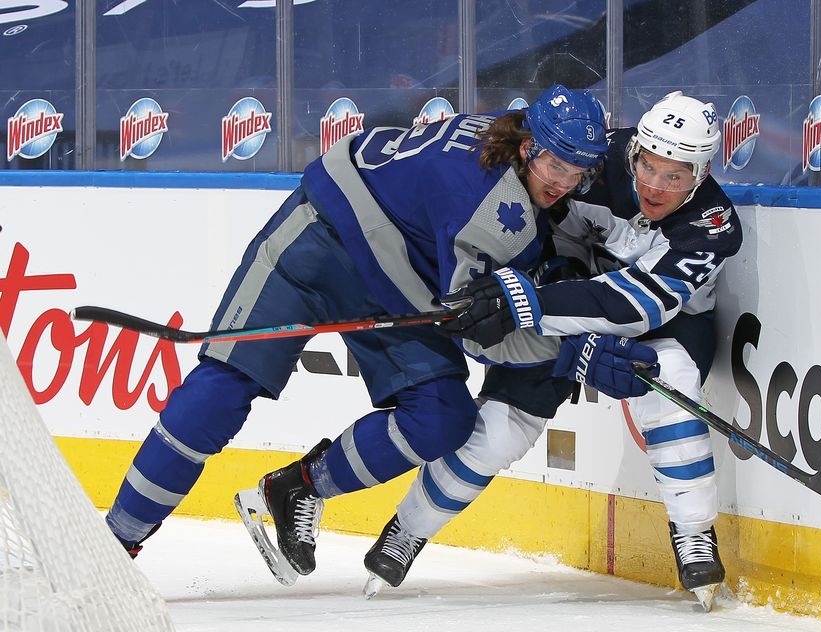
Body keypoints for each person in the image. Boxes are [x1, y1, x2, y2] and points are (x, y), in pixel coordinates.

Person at [104, 84, 609, 582]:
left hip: (400, 277)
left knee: (440, 419)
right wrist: (565, 351)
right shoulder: (493, 214)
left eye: (577, 171)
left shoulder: (515, 124)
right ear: (529, 148)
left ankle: (298, 487)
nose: (563, 182)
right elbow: (477, 335)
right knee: (220, 391)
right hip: (319, 239)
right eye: (555, 166)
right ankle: (114, 542)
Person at [363, 91, 743, 611]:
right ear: (633, 152)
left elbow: (641, 307)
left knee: (671, 381)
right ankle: (407, 531)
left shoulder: (712, 224)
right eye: (649, 167)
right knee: (499, 431)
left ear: (699, 175)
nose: (655, 186)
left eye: (675, 177)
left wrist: (527, 301)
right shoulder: (593, 160)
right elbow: (532, 219)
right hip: (566, 298)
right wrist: (530, 283)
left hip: (661, 321)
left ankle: (695, 533)